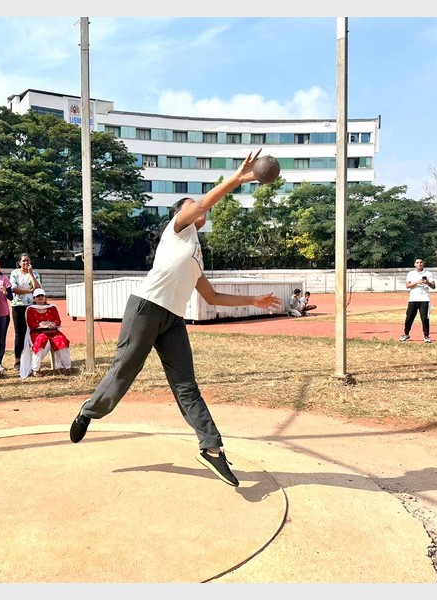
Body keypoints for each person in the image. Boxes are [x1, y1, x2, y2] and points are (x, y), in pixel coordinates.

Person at [68, 148, 282, 487]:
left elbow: (211, 297)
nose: (197, 205)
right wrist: (239, 178)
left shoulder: (196, 254)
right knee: (124, 370)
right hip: (145, 308)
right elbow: (200, 206)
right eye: (190, 203)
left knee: (187, 386)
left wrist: (254, 299)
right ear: (180, 213)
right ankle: (89, 411)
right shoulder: (177, 229)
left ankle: (211, 449)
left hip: (172, 321)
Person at [19, 289, 72, 378]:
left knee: (61, 340)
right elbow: (31, 324)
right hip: (37, 332)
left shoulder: (52, 308)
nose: (40, 298)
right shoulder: (30, 309)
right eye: (38, 296)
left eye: (42, 296)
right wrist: (40, 324)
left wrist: (53, 324)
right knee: (41, 340)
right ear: (34, 298)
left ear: (45, 297)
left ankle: (67, 367)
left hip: (53, 331)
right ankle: (35, 369)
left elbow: (57, 321)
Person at [9, 253, 42, 370]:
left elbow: (38, 288)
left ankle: (32, 358)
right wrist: (29, 290)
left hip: (31, 306)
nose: (26, 263)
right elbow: (13, 289)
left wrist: (31, 274)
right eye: (23, 261)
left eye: (28, 260)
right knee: (19, 333)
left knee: (32, 331)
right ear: (19, 262)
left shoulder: (35, 273)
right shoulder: (15, 273)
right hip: (18, 305)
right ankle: (17, 359)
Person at [399, 258, 435, 343]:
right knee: (409, 318)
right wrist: (417, 282)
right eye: (417, 262)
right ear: (414, 264)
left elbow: (433, 286)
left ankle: (426, 336)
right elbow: (407, 285)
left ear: (423, 263)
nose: (419, 264)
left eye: (421, 262)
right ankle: (406, 334)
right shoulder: (411, 273)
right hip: (413, 299)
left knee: (425, 318)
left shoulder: (428, 273)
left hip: (424, 299)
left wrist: (427, 283)